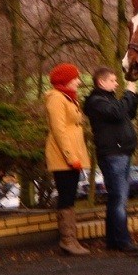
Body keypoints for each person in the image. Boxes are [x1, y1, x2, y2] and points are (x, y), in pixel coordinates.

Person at [83, 67, 138, 254]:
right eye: (113, 81)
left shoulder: (110, 100)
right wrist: (128, 94)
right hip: (113, 154)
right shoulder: (96, 102)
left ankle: (113, 239)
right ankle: (122, 240)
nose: (116, 84)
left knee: (116, 197)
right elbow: (117, 112)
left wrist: (133, 97)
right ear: (102, 82)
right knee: (120, 197)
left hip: (122, 152)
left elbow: (127, 113)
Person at [45, 63, 91, 255]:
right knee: (66, 196)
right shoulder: (56, 99)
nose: (79, 82)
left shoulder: (68, 98)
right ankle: (67, 239)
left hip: (72, 155)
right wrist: (71, 157)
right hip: (63, 156)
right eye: (76, 78)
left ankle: (72, 239)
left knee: (71, 196)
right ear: (66, 80)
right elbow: (59, 130)